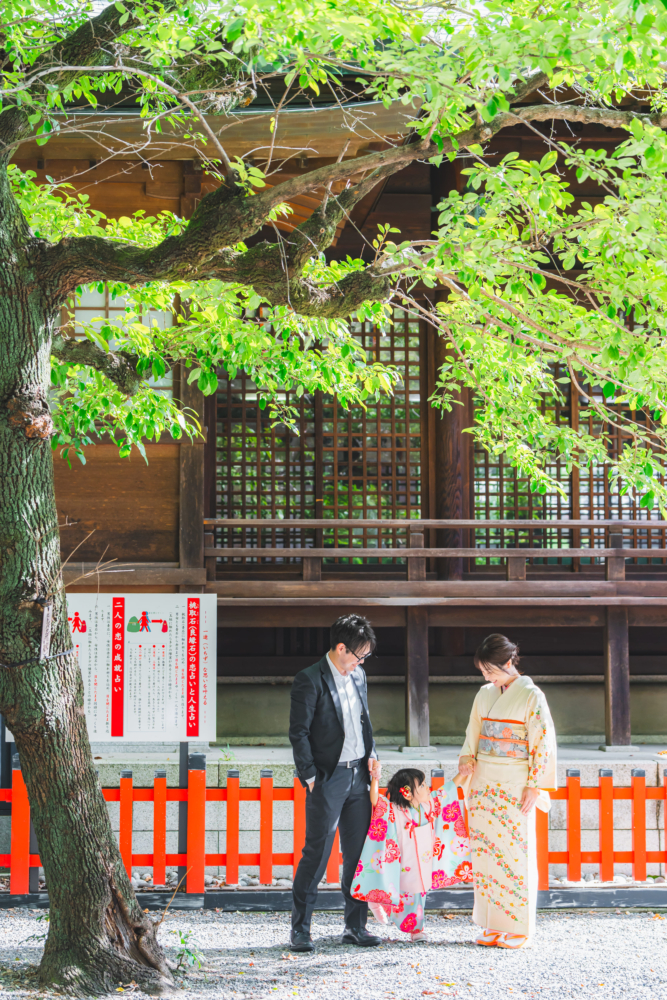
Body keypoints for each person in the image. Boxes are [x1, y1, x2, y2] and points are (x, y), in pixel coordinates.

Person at [457, 633, 557, 949]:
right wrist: (467, 757)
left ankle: (518, 928)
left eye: (491, 671)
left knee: (515, 854)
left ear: (509, 662)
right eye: (484, 672)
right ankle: (491, 924)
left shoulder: (531, 695)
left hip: (515, 782)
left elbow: (542, 742)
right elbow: (473, 731)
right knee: (486, 853)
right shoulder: (484, 694)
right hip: (483, 781)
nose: (488, 678)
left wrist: (535, 784)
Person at [289, 614, 381, 952]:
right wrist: (311, 777)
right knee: (317, 853)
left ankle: (356, 927)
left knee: (357, 855)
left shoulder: (359, 676)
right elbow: (298, 733)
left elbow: (364, 722)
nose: (361, 662)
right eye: (359, 655)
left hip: (359, 775)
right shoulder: (309, 679)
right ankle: (300, 930)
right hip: (328, 778)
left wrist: (372, 753)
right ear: (341, 648)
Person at [351, 767, 472, 942]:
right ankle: (378, 901)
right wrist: (375, 779)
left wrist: (463, 773)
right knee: (399, 891)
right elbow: (376, 799)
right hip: (403, 862)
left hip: (424, 861)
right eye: (421, 786)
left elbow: (447, 790)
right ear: (407, 793)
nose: (427, 787)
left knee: (419, 894)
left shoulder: (429, 805)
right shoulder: (395, 810)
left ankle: (416, 929)